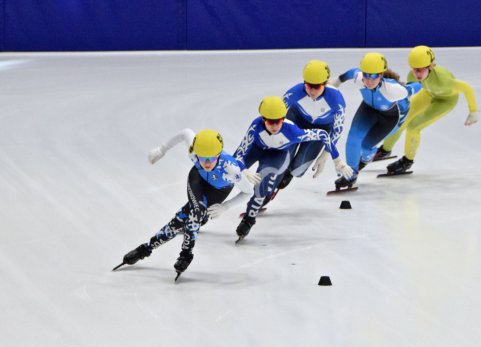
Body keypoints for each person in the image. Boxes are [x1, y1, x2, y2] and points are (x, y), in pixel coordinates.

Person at [114, 128, 254, 278]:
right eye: (202, 158)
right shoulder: (194, 152)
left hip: (218, 191)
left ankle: (146, 249)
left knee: (179, 221)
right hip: (198, 179)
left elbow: (248, 191)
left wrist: (225, 207)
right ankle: (185, 254)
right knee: (197, 212)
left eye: (211, 158)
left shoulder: (231, 170)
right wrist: (162, 149)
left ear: (219, 155)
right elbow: (185, 132)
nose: (207, 162)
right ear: (196, 153)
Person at [233, 96, 352, 239]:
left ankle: (249, 219)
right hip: (257, 149)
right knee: (230, 170)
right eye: (270, 121)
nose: (275, 125)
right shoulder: (255, 126)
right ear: (263, 119)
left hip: (276, 155)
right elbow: (239, 153)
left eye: (278, 121)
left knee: (262, 184)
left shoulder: (292, 131)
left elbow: (323, 135)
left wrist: (337, 160)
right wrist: (243, 169)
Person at [375, 45, 478, 174]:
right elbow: (406, 94)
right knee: (401, 118)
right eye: (414, 69)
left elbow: (467, 88)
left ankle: (407, 161)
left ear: (430, 66)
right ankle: (385, 149)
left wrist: (473, 111)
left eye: (420, 70)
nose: (416, 74)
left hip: (446, 100)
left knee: (413, 126)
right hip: (429, 94)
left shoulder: (443, 80)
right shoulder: (412, 76)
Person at [330, 52, 421, 189]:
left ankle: (367, 158)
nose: (369, 80)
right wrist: (335, 82)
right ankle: (351, 174)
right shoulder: (359, 78)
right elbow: (349, 74)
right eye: (366, 75)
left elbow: (413, 88)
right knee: (353, 138)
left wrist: (422, 83)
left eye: (374, 76)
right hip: (369, 109)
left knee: (366, 146)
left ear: (381, 75)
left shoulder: (393, 90)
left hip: (390, 118)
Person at [277, 60, 347, 190]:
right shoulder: (294, 92)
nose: (312, 91)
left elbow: (337, 130)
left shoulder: (336, 100)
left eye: (317, 87)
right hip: (296, 122)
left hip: (320, 130)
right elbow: (275, 114)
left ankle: (289, 172)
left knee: (298, 170)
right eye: (309, 86)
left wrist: (324, 155)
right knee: (280, 161)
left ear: (325, 84)